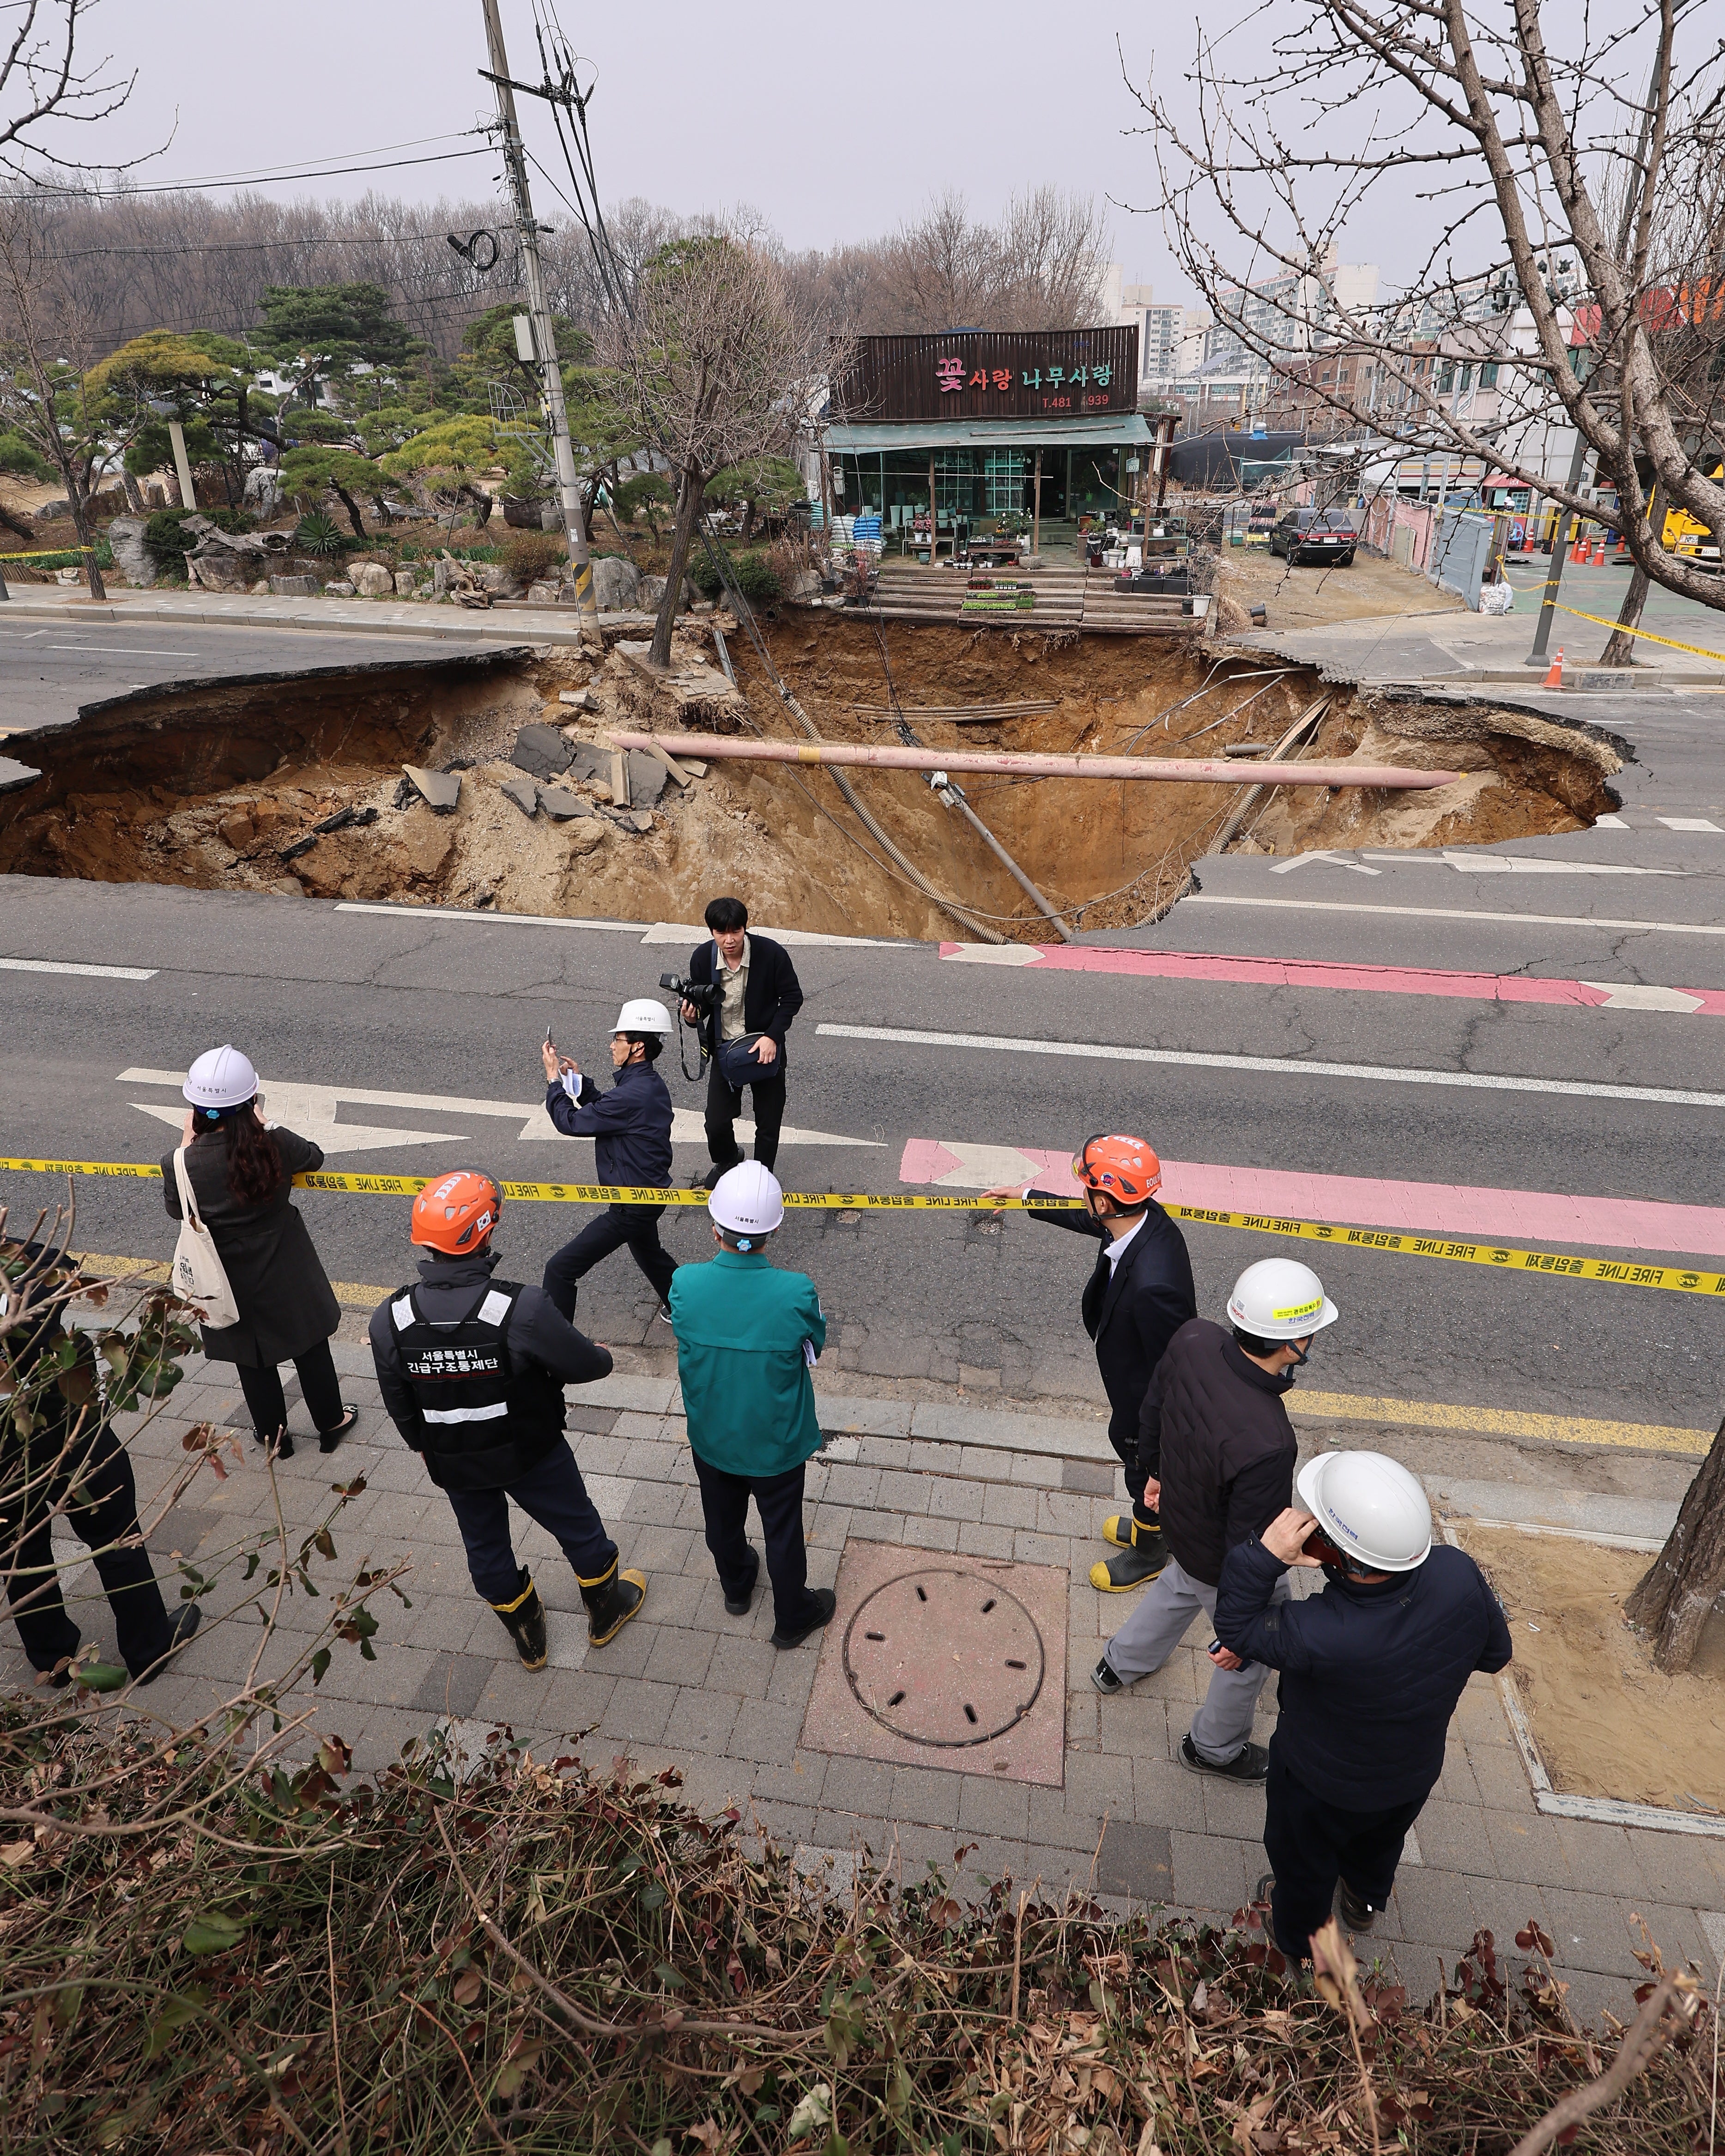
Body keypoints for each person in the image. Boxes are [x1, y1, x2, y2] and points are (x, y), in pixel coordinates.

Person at [1215, 1451, 1513, 1959]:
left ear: (1341, 1556)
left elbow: (1237, 1628)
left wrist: (1263, 1556)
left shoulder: (1319, 1631)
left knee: (1304, 1867)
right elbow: (1496, 1652)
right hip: (1410, 1772)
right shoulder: (1458, 1572)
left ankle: (1298, 1941)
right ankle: (1363, 1901)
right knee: (1380, 1843)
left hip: (1320, 1784)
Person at [368, 1171, 645, 1665]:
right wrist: (601, 1358)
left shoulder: (392, 1318)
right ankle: (605, 1610)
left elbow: (398, 1398)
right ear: (485, 1231)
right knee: (577, 1525)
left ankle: (528, 1636)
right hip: (531, 1449)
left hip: (455, 1458)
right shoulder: (519, 1307)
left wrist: (423, 1442)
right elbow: (583, 1365)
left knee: (485, 1546)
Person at [1089, 1257, 1339, 1784]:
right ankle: (1214, 1748)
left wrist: (1154, 1473)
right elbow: (1249, 1545)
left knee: (1180, 1584)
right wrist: (1237, 1630)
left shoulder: (1194, 1338)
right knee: (1245, 1664)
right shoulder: (1269, 1440)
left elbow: (1153, 1410)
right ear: (1293, 1345)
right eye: (1311, 1331)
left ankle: (1119, 1663)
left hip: (1180, 1519)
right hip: (1219, 1556)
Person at [983, 1135, 1195, 1591]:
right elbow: (1089, 1220)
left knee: (1142, 1466)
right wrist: (1024, 1198)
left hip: (1148, 1401)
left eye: (1086, 1188)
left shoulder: (1155, 1285)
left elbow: (1174, 1375)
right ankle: (1151, 1525)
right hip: (1133, 1380)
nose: (1083, 1196)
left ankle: (1151, 1550)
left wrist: (1159, 1460)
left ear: (1105, 1200)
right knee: (1136, 1459)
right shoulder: (1139, 1219)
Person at [1, 1236, 201, 1687]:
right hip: (64, 1427)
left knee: (18, 1546)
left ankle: (53, 1659)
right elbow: (61, 1263)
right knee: (114, 1534)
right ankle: (148, 1648)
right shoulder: (21, 1283)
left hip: (3, 1455)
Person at [668, 1162, 835, 1650]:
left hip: (713, 1435)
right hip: (776, 1442)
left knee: (721, 1519)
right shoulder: (795, 1291)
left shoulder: (685, 1283)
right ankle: (792, 1618)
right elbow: (815, 1343)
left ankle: (737, 1586)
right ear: (775, 1229)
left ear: (713, 1225)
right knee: (782, 1531)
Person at [161, 1044, 357, 1460]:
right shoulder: (274, 1145)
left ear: (195, 1108)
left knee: (252, 1359)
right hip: (286, 1263)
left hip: (225, 1274)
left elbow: (179, 1211)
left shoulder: (180, 1162)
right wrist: (270, 1126)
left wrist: (183, 1149)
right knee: (310, 1345)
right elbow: (314, 1158)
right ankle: (330, 1423)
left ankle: (274, 1438)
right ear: (251, 1102)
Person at [540, 1000, 678, 1323]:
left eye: (617, 1039)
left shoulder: (632, 1094)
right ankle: (689, 1308)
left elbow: (571, 1123)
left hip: (631, 1203)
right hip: (647, 1194)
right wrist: (582, 1084)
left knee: (560, 1269)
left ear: (638, 1047)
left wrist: (554, 1082)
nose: (611, 1045)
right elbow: (611, 1112)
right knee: (649, 1254)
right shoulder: (646, 1085)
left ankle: (555, 1345)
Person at [680, 896, 804, 1189]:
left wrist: (772, 1036)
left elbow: (792, 998)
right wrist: (691, 1016)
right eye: (721, 933)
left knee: (768, 1122)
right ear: (712, 932)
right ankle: (728, 1159)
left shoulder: (771, 954)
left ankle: (761, 1177)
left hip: (765, 1048)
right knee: (716, 1121)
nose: (729, 939)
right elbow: (702, 1006)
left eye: (735, 931)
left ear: (745, 929)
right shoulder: (701, 959)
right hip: (725, 1051)